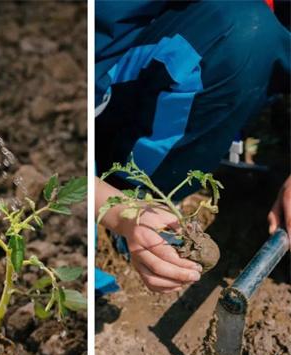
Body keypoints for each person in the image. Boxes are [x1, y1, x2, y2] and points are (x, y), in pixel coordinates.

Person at [95, 0, 290, 293]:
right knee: (243, 36)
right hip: (112, 73)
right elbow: (53, 166)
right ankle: (131, 185)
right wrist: (123, 213)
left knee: (249, 32)